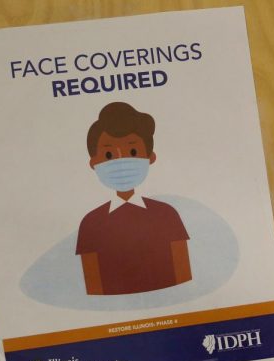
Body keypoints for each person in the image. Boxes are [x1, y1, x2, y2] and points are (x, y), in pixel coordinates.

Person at [76, 102, 192, 295]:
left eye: (132, 152)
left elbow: (184, 278)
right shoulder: (91, 223)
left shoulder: (167, 214)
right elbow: (93, 289)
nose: (121, 162)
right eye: (109, 154)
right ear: (93, 162)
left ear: (150, 157)